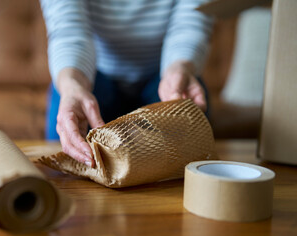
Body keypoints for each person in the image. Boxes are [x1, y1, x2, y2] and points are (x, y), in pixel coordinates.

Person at [40, 0, 213, 167]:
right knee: (65, 158)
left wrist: (179, 69)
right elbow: (68, 31)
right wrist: (72, 86)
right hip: (94, 79)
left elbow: (189, 25)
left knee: (190, 159)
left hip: (164, 77)